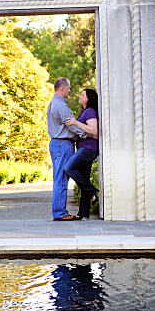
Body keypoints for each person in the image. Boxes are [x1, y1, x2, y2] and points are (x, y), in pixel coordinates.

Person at [46, 77, 86, 221]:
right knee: (61, 179)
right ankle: (60, 213)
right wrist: (87, 134)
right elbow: (72, 125)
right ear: (62, 88)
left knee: (59, 178)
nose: (70, 90)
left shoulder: (53, 103)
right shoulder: (61, 106)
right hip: (63, 144)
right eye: (68, 88)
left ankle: (59, 212)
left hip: (57, 144)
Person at [64, 88, 100, 220]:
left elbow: (93, 130)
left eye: (82, 94)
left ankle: (91, 191)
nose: (80, 96)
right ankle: (83, 213)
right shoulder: (85, 111)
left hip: (88, 149)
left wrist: (75, 122)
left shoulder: (90, 111)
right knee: (84, 178)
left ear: (88, 98)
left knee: (69, 168)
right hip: (85, 148)